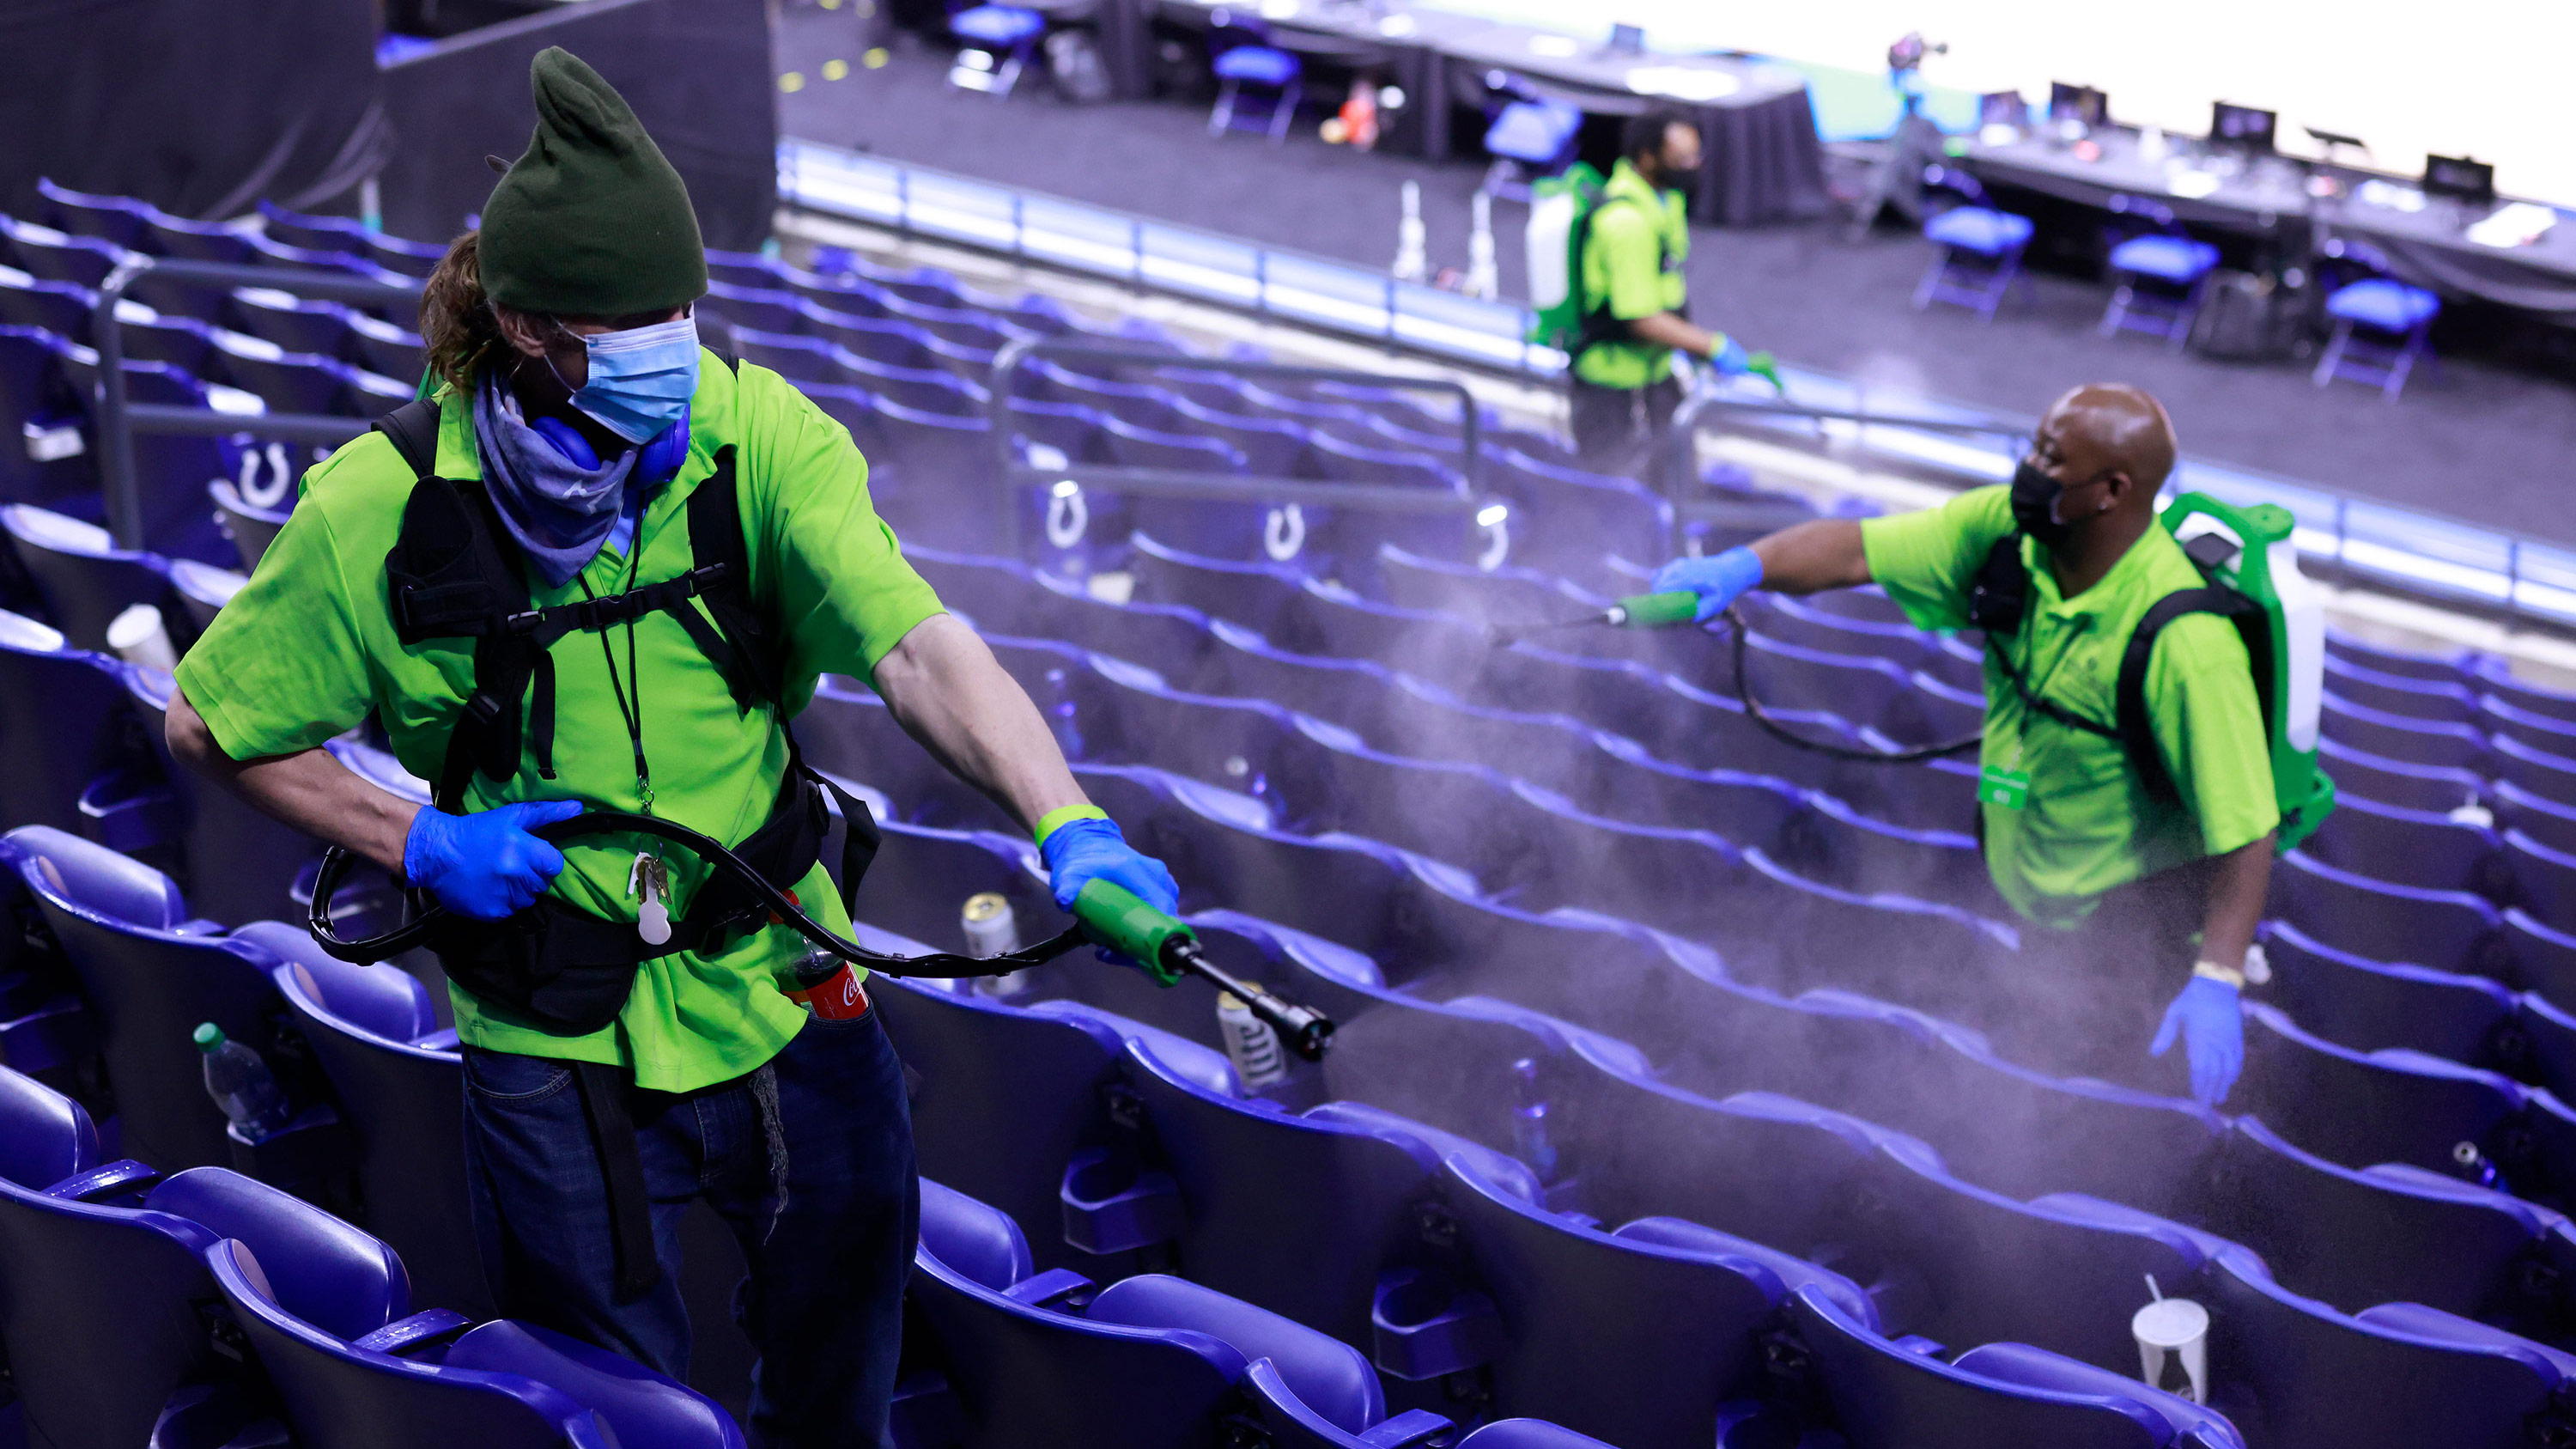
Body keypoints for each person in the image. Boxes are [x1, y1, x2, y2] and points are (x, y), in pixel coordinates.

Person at [164, 48, 1177, 1447]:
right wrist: (417, 838)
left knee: (840, 1400)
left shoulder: (756, 436)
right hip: (552, 1050)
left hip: (792, 1002)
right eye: (636, 322)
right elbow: (207, 724)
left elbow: (915, 645)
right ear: (528, 328)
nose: (676, 346)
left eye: (686, 311)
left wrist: (1069, 822)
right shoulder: (375, 513)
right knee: (614, 1420)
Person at [1647, 384, 2275, 1106]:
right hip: (2026, 876)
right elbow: (1856, 550)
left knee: (2090, 1103)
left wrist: (2216, 975)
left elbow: (2246, 827)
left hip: (2124, 923)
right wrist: (1743, 568)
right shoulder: (2008, 532)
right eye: (2033, 444)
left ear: (2112, 490)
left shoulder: (2189, 647)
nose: (2027, 468)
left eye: (2050, 456)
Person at [1569, 107, 1775, 477]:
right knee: (1622, 499)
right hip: (1615, 389)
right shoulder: (1626, 224)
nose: (1694, 165)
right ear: (1647, 158)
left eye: (1697, 155)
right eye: (1681, 159)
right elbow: (1640, 318)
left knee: (1678, 479)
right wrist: (1710, 346)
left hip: (1656, 373)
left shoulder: (1667, 201)